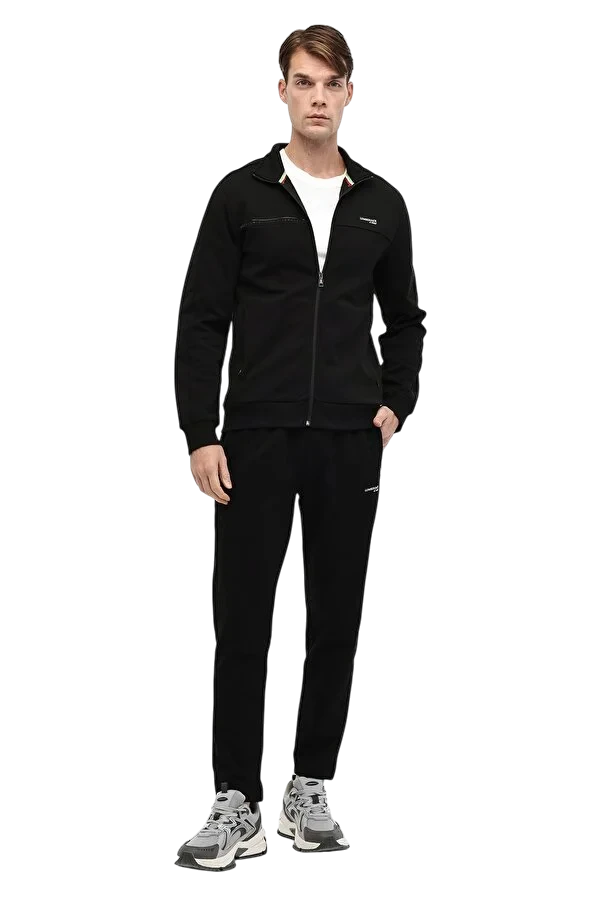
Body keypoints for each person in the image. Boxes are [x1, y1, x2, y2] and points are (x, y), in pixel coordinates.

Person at [175, 24, 423, 869]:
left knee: (334, 621)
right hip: (256, 437)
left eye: (331, 83)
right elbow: (203, 322)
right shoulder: (241, 197)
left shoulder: (381, 205)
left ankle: (307, 790)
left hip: (349, 442)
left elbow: (404, 319)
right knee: (244, 622)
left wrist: (393, 404)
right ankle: (234, 802)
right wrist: (201, 434)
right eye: (303, 81)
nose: (318, 97)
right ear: (279, 90)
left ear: (351, 94)